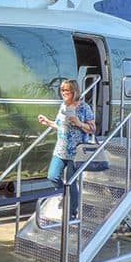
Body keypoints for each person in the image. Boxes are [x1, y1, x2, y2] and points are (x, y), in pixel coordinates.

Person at [37, 79, 95, 219]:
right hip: (61, 150)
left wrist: (79, 123)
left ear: (74, 92)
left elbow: (92, 129)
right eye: (62, 90)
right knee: (52, 176)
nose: (63, 93)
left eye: (66, 90)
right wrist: (48, 122)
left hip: (76, 152)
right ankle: (65, 195)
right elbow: (61, 126)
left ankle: (71, 213)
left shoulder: (84, 108)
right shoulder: (63, 106)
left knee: (70, 181)